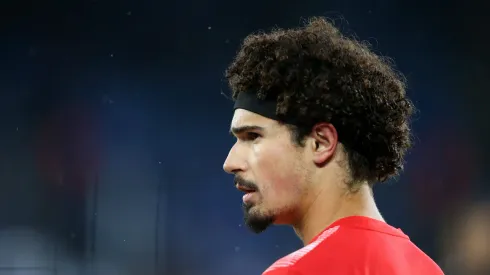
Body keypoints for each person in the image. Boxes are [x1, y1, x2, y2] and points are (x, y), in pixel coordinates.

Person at [222, 17, 444, 275]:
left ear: (320, 143)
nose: (230, 162)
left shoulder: (295, 271)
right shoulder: (427, 269)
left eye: (252, 136)